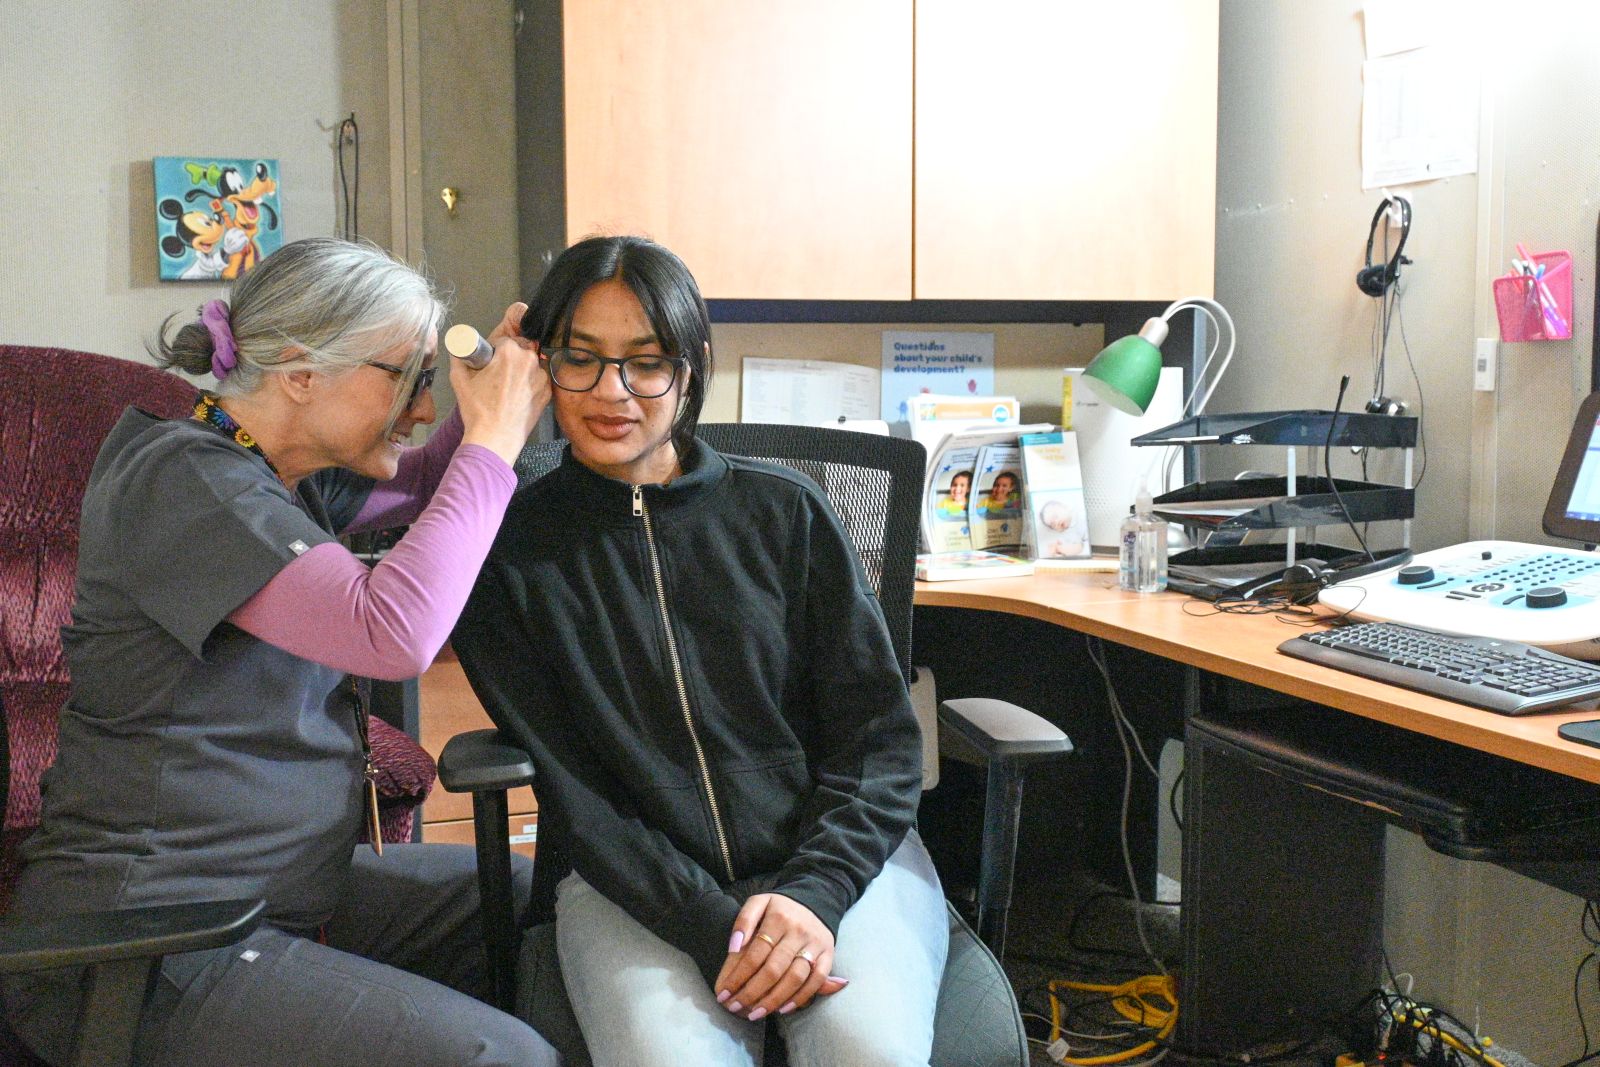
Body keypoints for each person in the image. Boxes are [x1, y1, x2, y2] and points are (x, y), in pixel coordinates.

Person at [1, 237, 561, 1067]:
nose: (416, 409)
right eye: (404, 379)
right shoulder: (187, 479)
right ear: (301, 371)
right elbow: (395, 630)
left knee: (535, 905)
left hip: (276, 893)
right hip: (147, 942)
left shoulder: (266, 469)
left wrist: (500, 391)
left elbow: (424, 483)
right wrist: (495, 438)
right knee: (500, 1058)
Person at [454, 235, 947, 1067]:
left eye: (646, 362)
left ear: (692, 368)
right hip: (635, 890)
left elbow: (878, 742)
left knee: (870, 1054)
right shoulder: (503, 555)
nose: (612, 392)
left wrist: (812, 895)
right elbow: (580, 796)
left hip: (837, 862)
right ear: (543, 367)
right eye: (581, 360)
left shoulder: (787, 514)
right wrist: (716, 927)